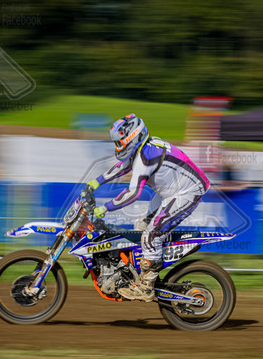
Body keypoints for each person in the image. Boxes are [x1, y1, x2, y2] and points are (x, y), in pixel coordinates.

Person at [85, 113, 210, 301]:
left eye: (119, 142)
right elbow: (123, 166)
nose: (117, 146)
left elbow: (133, 193)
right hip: (171, 192)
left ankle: (147, 286)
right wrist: (97, 181)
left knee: (151, 234)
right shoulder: (144, 147)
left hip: (186, 192)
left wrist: (106, 208)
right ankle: (142, 273)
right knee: (141, 227)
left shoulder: (145, 157)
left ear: (132, 137)